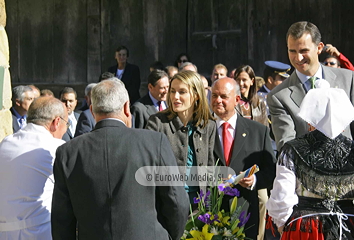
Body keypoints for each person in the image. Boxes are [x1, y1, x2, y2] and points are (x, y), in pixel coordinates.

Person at [51, 79, 189, 240]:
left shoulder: (68, 152)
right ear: (126, 107)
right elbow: (177, 202)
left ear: (92, 111)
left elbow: (62, 220)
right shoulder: (154, 143)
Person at [266, 80, 354, 239]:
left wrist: (284, 226)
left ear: (310, 120)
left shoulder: (293, 149)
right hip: (350, 227)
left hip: (307, 229)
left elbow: (282, 198)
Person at [267, 21, 354, 151]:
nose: (298, 58)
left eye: (304, 51)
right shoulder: (278, 96)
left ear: (319, 47)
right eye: (292, 51)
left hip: (350, 168)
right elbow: (288, 148)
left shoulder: (348, 79)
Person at [211, 77, 276, 240]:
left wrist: (254, 180)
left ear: (237, 99)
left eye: (224, 96)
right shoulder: (202, 130)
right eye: (214, 95)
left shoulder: (258, 132)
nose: (218, 100)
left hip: (245, 212)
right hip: (210, 213)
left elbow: (271, 171)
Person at [0, 97, 68, 239]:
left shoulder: (6, 143)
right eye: (66, 124)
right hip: (39, 232)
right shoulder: (57, 148)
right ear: (56, 122)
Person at [146, 70, 216, 203]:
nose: (175, 97)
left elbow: (210, 166)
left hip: (199, 202)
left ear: (196, 95)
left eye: (182, 92)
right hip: (168, 202)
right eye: (172, 91)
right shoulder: (157, 122)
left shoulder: (208, 125)